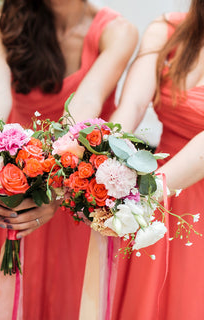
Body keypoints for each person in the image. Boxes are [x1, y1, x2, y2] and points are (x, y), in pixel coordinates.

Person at [0, 0, 138, 318]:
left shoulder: (118, 32)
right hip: (18, 189)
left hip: (77, 191)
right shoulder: (0, 25)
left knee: (74, 299)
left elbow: (87, 98)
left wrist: (51, 182)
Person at [109, 1, 204, 318]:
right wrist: (104, 156)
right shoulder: (167, 30)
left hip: (168, 193)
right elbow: (133, 104)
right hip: (156, 194)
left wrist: (147, 195)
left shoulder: (149, 195)